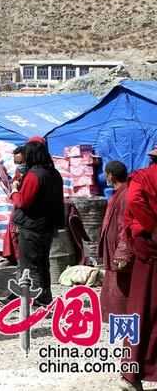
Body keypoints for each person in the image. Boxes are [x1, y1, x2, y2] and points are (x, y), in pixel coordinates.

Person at [0, 140, 64, 308]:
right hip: (47, 227)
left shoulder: (34, 175)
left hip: (32, 227)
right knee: (42, 264)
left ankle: (37, 301)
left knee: (31, 266)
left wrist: (14, 190)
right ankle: (37, 297)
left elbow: (24, 202)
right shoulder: (54, 173)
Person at [121, 150, 157, 390]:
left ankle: (131, 373)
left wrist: (153, 226)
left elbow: (133, 201)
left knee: (141, 307)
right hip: (151, 244)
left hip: (148, 245)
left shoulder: (142, 177)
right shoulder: (143, 177)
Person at [98, 161, 131, 323]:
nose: (106, 177)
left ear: (111, 175)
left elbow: (125, 226)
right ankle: (112, 316)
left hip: (120, 251)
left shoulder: (125, 195)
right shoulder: (117, 193)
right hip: (113, 248)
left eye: (106, 174)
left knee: (122, 286)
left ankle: (123, 318)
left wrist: (122, 253)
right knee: (112, 283)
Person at [2, 146, 26, 265]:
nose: (18, 165)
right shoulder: (19, 171)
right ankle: (13, 257)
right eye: (16, 163)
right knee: (12, 229)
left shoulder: (33, 173)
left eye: (20, 162)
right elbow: (15, 181)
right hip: (17, 202)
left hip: (25, 204)